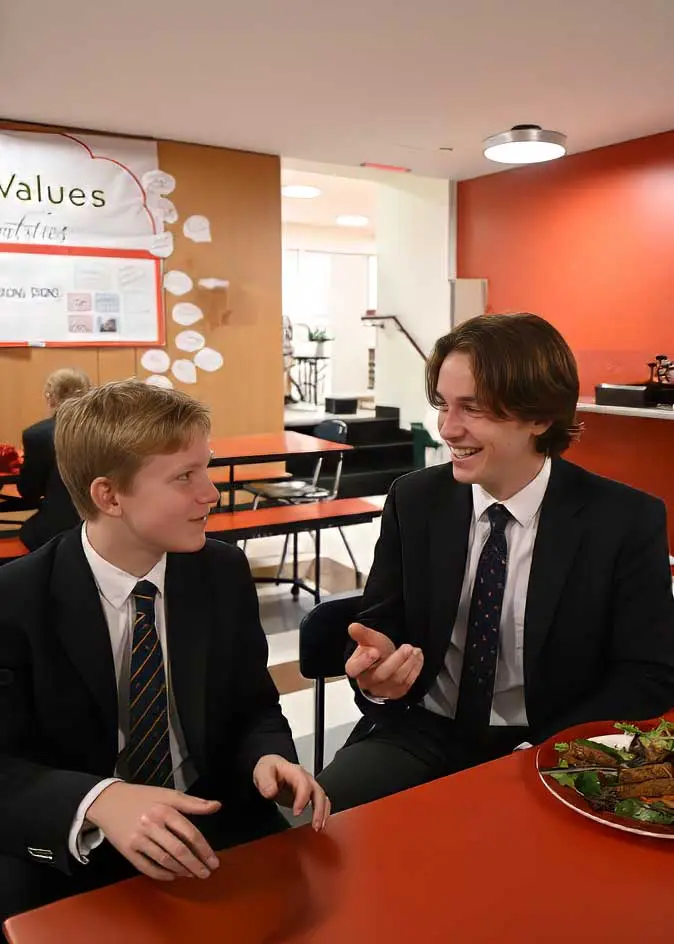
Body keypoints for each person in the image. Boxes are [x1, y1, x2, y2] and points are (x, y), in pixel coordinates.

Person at [0, 380, 329, 931]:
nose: (211, 493)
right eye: (185, 477)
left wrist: (266, 756)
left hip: (209, 810)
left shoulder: (221, 571)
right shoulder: (16, 600)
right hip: (79, 833)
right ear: (109, 496)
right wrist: (98, 800)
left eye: (207, 468)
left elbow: (253, 704)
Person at [318, 313, 674, 812]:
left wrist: (548, 751)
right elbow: (382, 620)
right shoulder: (415, 499)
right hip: (420, 731)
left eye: (473, 409)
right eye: (443, 404)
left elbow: (648, 673)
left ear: (539, 417)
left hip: (553, 742)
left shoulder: (623, 519)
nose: (446, 428)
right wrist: (377, 672)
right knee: (320, 829)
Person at [1, 368, 91, 550]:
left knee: (30, 532)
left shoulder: (38, 435)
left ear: (51, 397)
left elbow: (29, 490)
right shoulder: (109, 430)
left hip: (61, 528)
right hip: (104, 523)